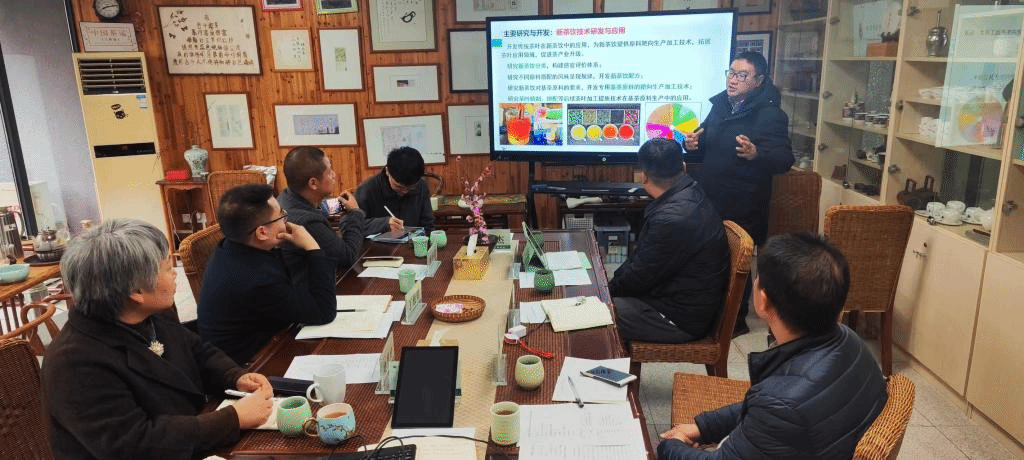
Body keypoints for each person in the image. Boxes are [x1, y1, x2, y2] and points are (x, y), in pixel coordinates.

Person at [43, 219, 273, 459]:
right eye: (167, 268)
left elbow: (196, 350)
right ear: (136, 292)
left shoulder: (149, 313)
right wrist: (231, 419)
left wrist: (234, 376)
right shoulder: (74, 363)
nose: (174, 273)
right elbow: (134, 442)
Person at [658, 233, 887, 460]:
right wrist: (703, 427)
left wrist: (670, 446)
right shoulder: (850, 341)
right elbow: (764, 409)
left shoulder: (780, 405)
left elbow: (774, 409)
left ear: (763, 301)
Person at [683, 51, 794, 334]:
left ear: (759, 80)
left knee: (737, 261)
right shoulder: (721, 105)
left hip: (744, 202)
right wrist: (692, 144)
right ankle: (713, 314)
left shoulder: (770, 115)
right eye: (731, 73)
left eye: (742, 75)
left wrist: (757, 153)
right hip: (711, 198)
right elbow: (704, 140)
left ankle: (735, 322)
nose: (733, 80)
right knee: (711, 259)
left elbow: (784, 159)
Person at [198, 183, 336, 365]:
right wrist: (312, 247)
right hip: (251, 365)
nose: (286, 220)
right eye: (281, 215)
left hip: (265, 338)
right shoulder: (257, 280)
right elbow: (324, 312)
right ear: (262, 232)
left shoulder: (231, 246)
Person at [609, 138, 729, 344]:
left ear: (644, 176)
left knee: (592, 314)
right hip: (678, 300)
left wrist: (605, 291)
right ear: (684, 166)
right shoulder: (691, 192)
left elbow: (638, 276)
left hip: (677, 318)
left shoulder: (672, 219)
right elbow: (641, 266)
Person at [278, 146, 365, 271]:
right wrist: (354, 212)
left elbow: (316, 208)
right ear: (313, 183)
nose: (334, 175)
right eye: (329, 172)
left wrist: (339, 206)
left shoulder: (286, 196)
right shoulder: (308, 222)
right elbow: (348, 257)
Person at [355, 146, 436, 235]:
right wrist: (384, 223)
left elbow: (428, 224)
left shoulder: (420, 185)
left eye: (410, 188)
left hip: (413, 242)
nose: (405, 191)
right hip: (376, 243)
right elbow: (352, 226)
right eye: (399, 187)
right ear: (387, 171)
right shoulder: (367, 190)